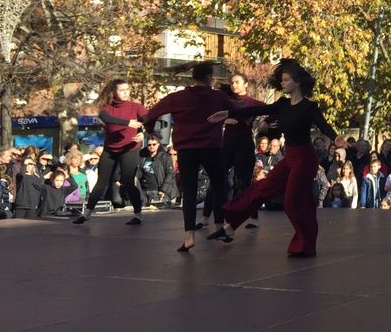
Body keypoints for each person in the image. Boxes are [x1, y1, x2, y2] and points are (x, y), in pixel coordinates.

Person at [207, 59, 339, 258]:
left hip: (305, 159)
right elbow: (256, 110)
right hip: (290, 157)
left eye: (286, 80)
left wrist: (336, 137)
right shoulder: (283, 104)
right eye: (282, 80)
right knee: (262, 188)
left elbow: (323, 125)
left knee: (292, 202)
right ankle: (230, 227)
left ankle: (305, 244)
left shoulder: (309, 107)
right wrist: (229, 112)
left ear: (297, 82)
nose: (283, 83)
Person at [143, 62, 238, 252]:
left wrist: (149, 129)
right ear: (209, 78)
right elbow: (237, 110)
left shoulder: (177, 97)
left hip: (187, 149)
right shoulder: (217, 96)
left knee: (189, 191)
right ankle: (220, 226)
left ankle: (189, 237)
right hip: (212, 147)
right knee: (220, 186)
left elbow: (150, 114)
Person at [75, 78, 147, 226]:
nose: (126, 92)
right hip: (110, 149)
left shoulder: (136, 107)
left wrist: (144, 133)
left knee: (128, 181)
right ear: (114, 92)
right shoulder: (107, 108)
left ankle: (138, 215)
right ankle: (87, 214)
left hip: (130, 148)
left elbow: (150, 120)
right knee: (102, 181)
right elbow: (106, 118)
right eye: (122, 90)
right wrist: (129, 123)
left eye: (127, 89)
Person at [138, 136, 178, 207]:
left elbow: (170, 174)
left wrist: (163, 190)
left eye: (154, 144)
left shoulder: (165, 157)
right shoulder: (143, 157)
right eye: (149, 145)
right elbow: (140, 173)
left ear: (158, 144)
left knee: (158, 216)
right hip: (144, 191)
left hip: (158, 191)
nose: (151, 146)